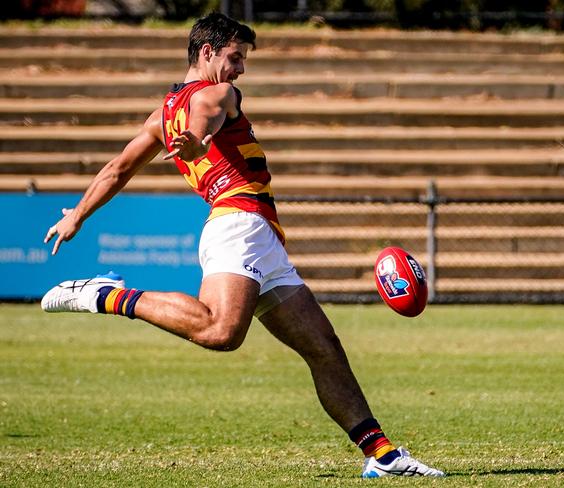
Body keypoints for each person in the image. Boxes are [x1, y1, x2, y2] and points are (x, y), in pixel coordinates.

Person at [40, 12, 444, 478]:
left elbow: (118, 169)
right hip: (239, 224)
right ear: (207, 52)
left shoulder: (161, 115)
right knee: (219, 331)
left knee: (323, 346)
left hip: (259, 235)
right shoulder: (217, 93)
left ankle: (383, 455)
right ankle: (103, 294)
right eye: (236, 57)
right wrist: (195, 140)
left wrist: (78, 215)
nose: (241, 70)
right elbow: (206, 115)